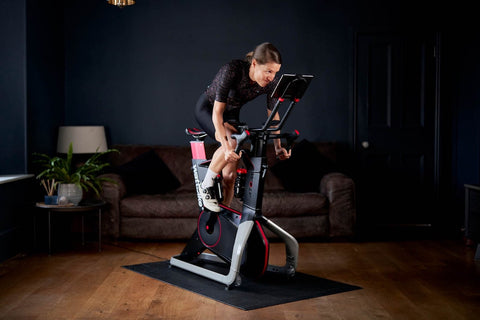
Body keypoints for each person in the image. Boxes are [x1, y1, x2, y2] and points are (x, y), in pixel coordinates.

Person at [194, 42, 291, 212]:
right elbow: (217, 112)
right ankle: (206, 186)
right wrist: (225, 147)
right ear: (254, 64)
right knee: (231, 143)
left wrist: (278, 146)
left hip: (231, 115)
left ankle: (223, 219)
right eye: (268, 71)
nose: (272, 77)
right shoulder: (232, 70)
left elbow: (273, 116)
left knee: (230, 176)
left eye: (276, 72)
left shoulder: (271, 83)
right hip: (209, 110)